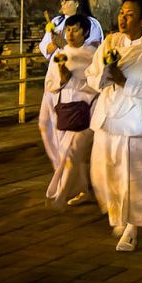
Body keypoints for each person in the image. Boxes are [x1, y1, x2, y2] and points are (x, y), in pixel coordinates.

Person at [86, 0, 142, 252]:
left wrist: (124, 80)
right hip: (109, 118)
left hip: (138, 123)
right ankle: (118, 214)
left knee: (136, 177)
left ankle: (133, 226)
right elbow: (91, 76)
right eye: (121, 13)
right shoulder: (110, 43)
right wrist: (105, 75)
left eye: (130, 14)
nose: (123, 18)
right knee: (105, 173)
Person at [38, 0, 104, 170]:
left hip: (75, 83)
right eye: (62, 0)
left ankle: (70, 170)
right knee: (46, 124)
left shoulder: (91, 23)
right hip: (54, 79)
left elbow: (90, 52)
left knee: (70, 130)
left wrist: (65, 43)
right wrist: (54, 43)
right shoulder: (58, 22)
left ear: (78, 3)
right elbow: (45, 49)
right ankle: (61, 164)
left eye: (66, 0)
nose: (62, 3)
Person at [44, 14, 98, 208]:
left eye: (75, 30)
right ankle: (84, 189)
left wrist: (75, 82)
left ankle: (61, 193)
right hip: (65, 110)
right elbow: (51, 84)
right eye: (68, 30)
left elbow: (95, 82)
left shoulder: (92, 54)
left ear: (84, 32)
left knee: (72, 152)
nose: (71, 34)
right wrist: (62, 75)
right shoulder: (61, 53)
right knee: (74, 154)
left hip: (85, 110)